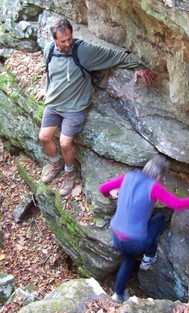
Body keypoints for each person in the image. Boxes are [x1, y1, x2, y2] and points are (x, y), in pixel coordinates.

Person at [36, 18, 155, 196]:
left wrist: (138, 66)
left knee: (65, 142)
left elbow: (114, 56)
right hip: (54, 104)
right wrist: (46, 90)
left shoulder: (83, 51)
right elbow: (50, 72)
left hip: (74, 108)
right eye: (63, 40)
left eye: (70, 38)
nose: (68, 43)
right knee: (44, 137)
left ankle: (70, 173)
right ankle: (56, 163)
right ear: (55, 40)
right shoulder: (49, 50)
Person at [98, 155, 189, 302]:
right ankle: (149, 257)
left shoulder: (128, 176)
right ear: (159, 175)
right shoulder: (154, 187)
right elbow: (176, 204)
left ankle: (118, 295)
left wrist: (112, 194)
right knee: (158, 219)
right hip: (134, 241)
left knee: (128, 260)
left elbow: (103, 188)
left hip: (116, 235)